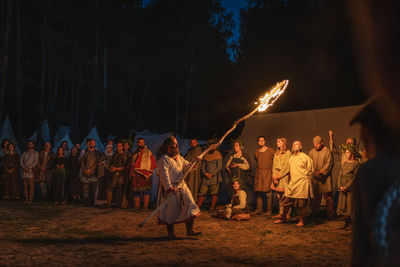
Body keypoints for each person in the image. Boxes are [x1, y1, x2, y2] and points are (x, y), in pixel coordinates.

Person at [156, 136, 201, 238]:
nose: (175, 147)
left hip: (182, 186)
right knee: (171, 211)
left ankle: (190, 230)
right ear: (168, 147)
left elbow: (187, 166)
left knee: (191, 205)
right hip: (171, 189)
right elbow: (164, 175)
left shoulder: (179, 157)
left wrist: (194, 162)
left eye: (176, 145)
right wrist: (169, 188)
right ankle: (170, 233)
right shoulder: (164, 159)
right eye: (173, 145)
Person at [274, 141, 314, 226]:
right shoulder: (291, 158)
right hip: (293, 183)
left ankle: (302, 220)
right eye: (294, 144)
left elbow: (311, 170)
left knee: (302, 204)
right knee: (287, 201)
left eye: (297, 144)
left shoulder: (305, 157)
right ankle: (283, 218)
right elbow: (289, 171)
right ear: (292, 148)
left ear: (301, 147)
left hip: (302, 183)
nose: (295, 146)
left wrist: (305, 178)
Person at [309, 135, 334, 219]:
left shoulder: (327, 151)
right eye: (314, 144)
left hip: (325, 178)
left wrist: (322, 172)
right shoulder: (312, 152)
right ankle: (314, 214)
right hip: (315, 178)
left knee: (328, 197)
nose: (315, 145)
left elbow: (329, 163)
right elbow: (309, 163)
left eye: (317, 144)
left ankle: (330, 214)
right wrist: (313, 172)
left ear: (322, 143)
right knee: (315, 197)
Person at [336, 144, 360, 229]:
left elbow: (355, 177)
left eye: (348, 153)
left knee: (350, 205)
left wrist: (347, 186)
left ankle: (352, 224)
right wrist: (339, 185)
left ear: (352, 154)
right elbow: (340, 175)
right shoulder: (345, 163)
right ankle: (346, 222)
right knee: (344, 204)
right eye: (345, 153)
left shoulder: (356, 164)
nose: (346, 154)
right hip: (343, 186)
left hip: (349, 188)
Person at [129, 138, 157, 210]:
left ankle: (145, 207)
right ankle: (137, 206)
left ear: (144, 143)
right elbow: (131, 161)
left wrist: (139, 166)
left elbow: (151, 162)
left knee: (146, 191)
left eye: (142, 142)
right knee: (136, 191)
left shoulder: (148, 153)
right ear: (137, 144)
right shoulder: (135, 152)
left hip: (145, 174)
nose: (141, 144)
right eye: (140, 142)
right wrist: (132, 164)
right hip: (135, 174)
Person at [197, 141, 223, 212]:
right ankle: (197, 208)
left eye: (214, 146)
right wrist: (205, 173)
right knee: (202, 192)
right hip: (206, 177)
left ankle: (212, 207)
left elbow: (219, 167)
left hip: (214, 177)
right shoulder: (206, 155)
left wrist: (212, 173)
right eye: (211, 146)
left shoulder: (218, 154)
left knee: (214, 193)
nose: (212, 147)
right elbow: (203, 166)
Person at [271, 137, 292, 219]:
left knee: (285, 196)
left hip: (284, 177)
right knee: (279, 196)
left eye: (279, 141)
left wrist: (279, 176)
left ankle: (287, 213)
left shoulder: (288, 153)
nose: (277, 143)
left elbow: (287, 167)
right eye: (277, 142)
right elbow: (273, 166)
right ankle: (281, 212)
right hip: (276, 177)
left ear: (283, 143)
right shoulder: (276, 154)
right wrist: (274, 177)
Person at [253, 136, 275, 215]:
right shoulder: (256, 152)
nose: (261, 142)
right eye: (259, 141)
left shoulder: (271, 150)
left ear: (265, 142)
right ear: (258, 142)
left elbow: (275, 160)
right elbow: (257, 159)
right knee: (258, 192)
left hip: (267, 173)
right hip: (259, 173)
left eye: (263, 141)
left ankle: (269, 210)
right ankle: (259, 209)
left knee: (268, 192)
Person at [106, 142, 127, 208]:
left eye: (120, 146)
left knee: (119, 189)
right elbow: (111, 163)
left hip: (121, 175)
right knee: (109, 189)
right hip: (113, 175)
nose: (118, 147)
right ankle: (108, 204)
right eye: (117, 146)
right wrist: (111, 167)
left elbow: (125, 167)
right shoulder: (115, 155)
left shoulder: (124, 155)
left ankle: (120, 205)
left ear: (122, 147)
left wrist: (116, 168)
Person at [80, 139, 101, 205]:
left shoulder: (97, 152)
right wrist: (85, 170)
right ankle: (85, 202)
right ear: (89, 144)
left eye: (93, 143)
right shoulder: (85, 151)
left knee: (94, 189)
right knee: (85, 189)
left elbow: (97, 162)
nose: (92, 144)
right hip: (85, 173)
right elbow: (82, 162)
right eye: (91, 143)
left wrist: (91, 169)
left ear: (95, 144)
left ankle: (94, 202)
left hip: (93, 173)